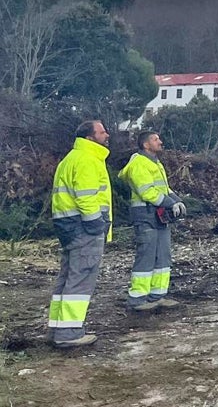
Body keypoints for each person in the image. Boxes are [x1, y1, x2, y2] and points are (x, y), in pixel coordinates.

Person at [48, 119, 112, 348]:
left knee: (67, 278)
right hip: (83, 227)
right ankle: (69, 334)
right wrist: (97, 225)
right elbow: (86, 197)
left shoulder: (71, 158)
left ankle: (58, 328)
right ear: (89, 137)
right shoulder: (87, 159)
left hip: (68, 227)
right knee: (81, 279)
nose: (107, 134)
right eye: (102, 131)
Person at [119, 130, 186, 311]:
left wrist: (176, 200)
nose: (160, 142)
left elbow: (163, 188)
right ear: (146, 144)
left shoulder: (155, 163)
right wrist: (170, 203)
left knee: (162, 255)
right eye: (156, 140)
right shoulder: (140, 164)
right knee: (146, 256)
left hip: (158, 215)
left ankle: (157, 295)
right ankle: (137, 299)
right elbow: (147, 192)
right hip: (146, 215)